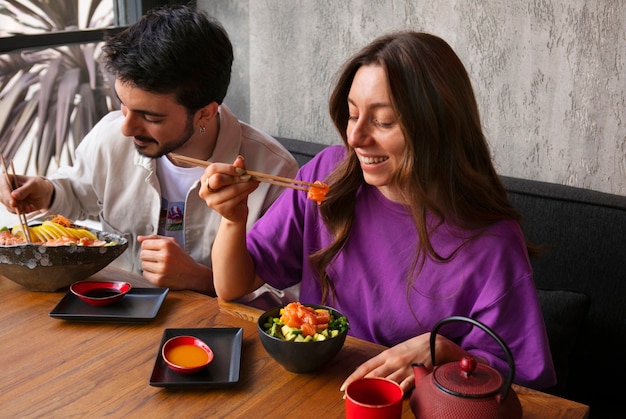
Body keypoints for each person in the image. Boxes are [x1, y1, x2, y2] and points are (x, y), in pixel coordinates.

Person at [199, 31, 557, 393]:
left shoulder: (491, 239)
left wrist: (446, 352)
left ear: (436, 125)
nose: (354, 137)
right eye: (353, 114)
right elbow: (232, 286)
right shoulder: (328, 178)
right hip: (316, 388)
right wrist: (233, 219)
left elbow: (525, 384)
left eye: (382, 122)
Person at [0, 5, 299, 300]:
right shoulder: (110, 135)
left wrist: (201, 279)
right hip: (113, 310)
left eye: (151, 118)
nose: (127, 128)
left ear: (205, 114)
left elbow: (283, 296)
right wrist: (47, 192)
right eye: (123, 105)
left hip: (212, 336)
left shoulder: (273, 172)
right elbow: (79, 194)